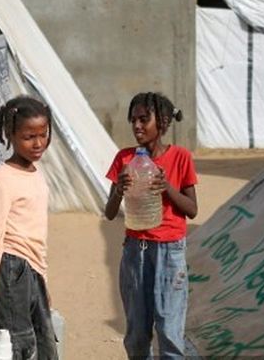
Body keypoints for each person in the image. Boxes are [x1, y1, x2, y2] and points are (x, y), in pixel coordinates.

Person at [105, 91, 198, 359]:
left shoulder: (180, 157)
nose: (137, 126)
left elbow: (192, 209)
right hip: (135, 251)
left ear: (164, 122)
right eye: (133, 120)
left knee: (169, 330)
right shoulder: (124, 158)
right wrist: (118, 191)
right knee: (136, 334)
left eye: (144, 119)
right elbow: (110, 213)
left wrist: (166, 187)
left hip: (170, 252)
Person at [0, 95, 59, 360]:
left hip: (31, 271)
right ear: (10, 134)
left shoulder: (35, 173)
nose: (38, 143)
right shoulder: (0, 181)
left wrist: (42, 284)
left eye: (43, 135)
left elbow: (36, 236)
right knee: (18, 345)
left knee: (45, 343)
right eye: (28, 136)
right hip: (10, 270)